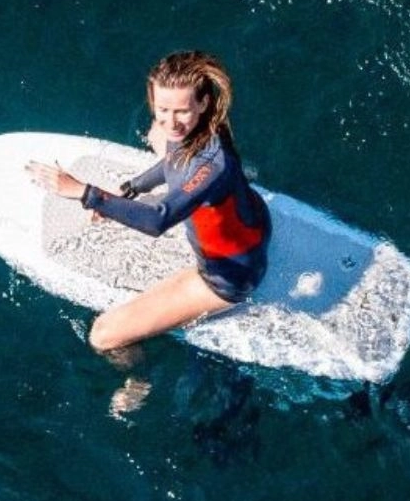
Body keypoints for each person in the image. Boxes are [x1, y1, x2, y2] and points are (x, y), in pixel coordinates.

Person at [26, 50, 271, 356]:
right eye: (162, 108)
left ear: (204, 103)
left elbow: (158, 219)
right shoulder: (204, 128)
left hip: (229, 275)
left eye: (182, 110)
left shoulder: (211, 166)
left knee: (102, 336)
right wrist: (130, 188)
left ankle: (139, 378)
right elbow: (171, 160)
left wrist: (85, 193)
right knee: (159, 135)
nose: (172, 121)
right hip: (253, 222)